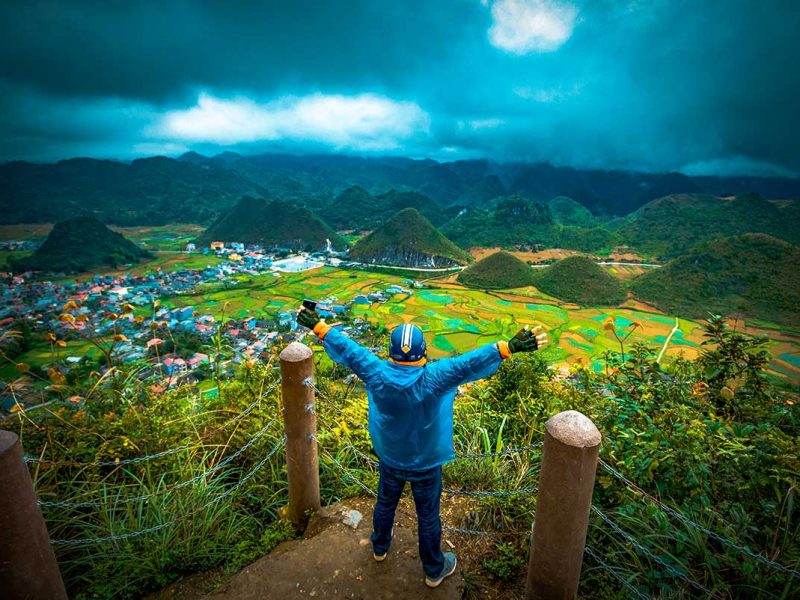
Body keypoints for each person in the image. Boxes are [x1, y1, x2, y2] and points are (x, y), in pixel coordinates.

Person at [296, 306, 548, 588]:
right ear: (423, 352)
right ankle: (433, 570)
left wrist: (318, 327)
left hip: (390, 456)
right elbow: (468, 364)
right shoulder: (435, 377)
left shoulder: (376, 372)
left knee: (385, 502)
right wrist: (506, 347)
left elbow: (351, 351)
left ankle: (379, 547)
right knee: (428, 515)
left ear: (391, 352)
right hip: (426, 462)